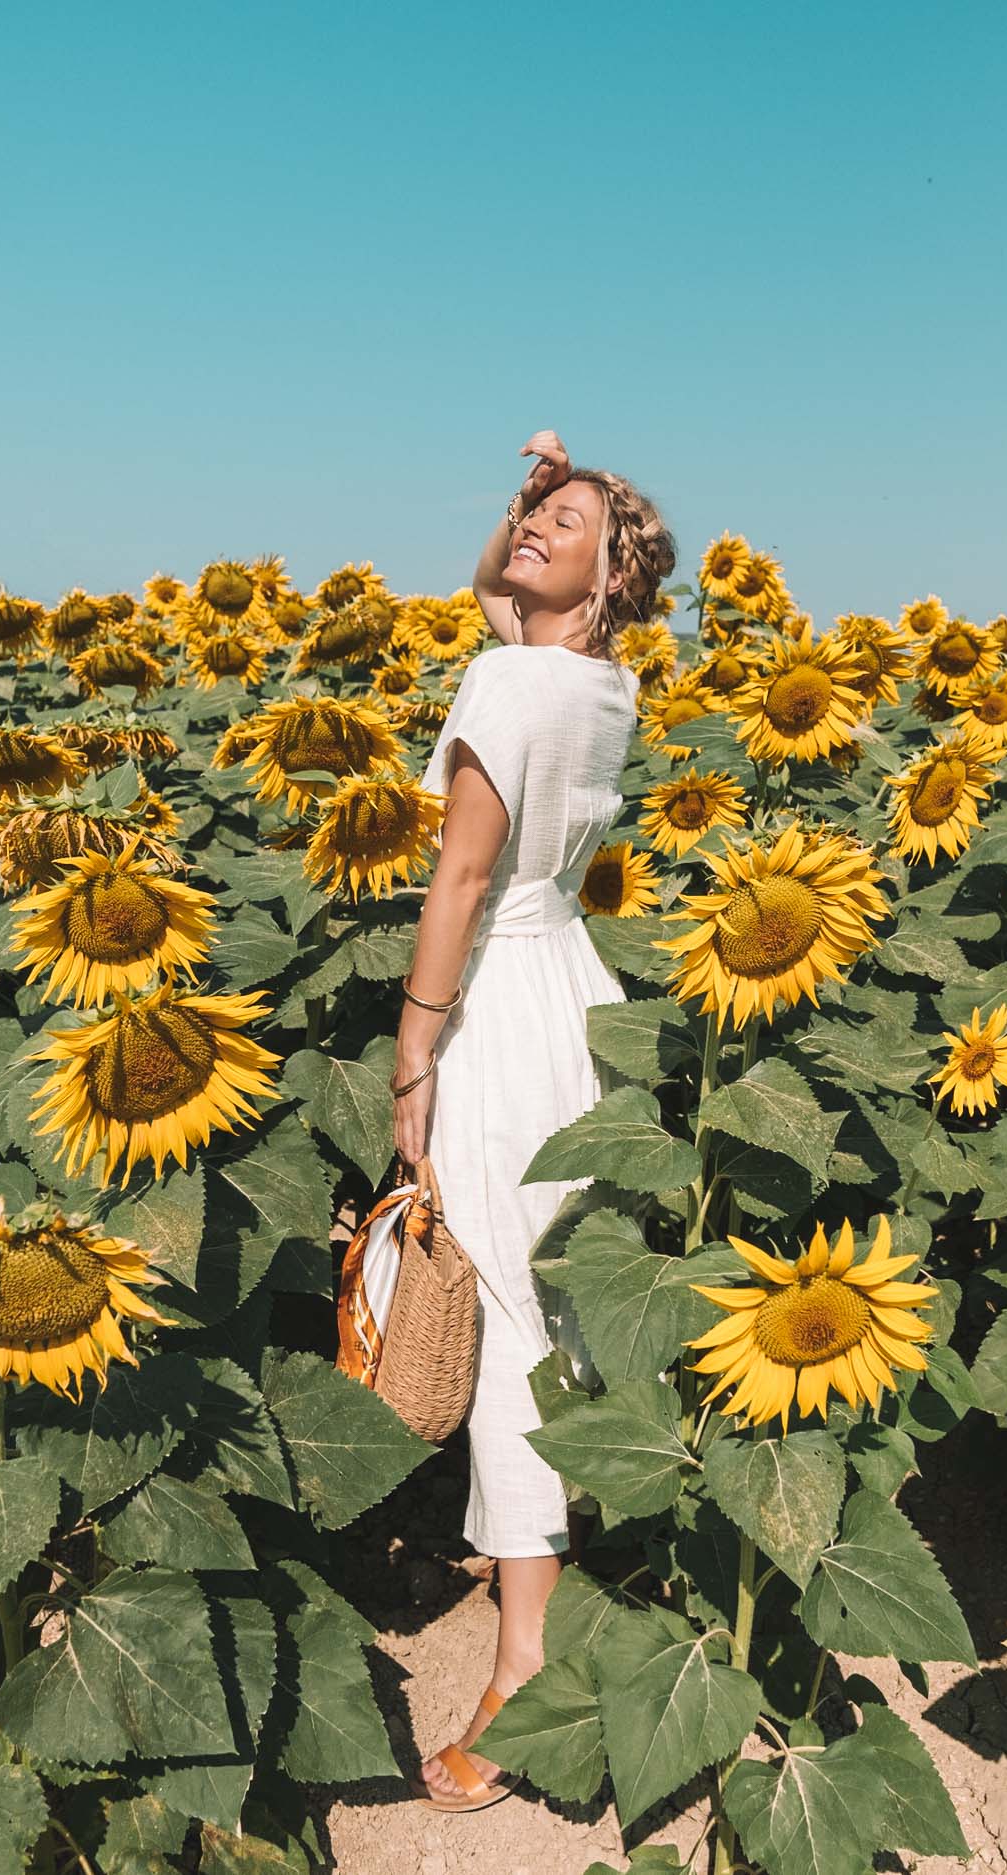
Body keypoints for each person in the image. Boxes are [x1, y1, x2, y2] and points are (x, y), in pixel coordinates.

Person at [391, 430, 676, 1810]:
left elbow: (458, 873)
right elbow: (503, 607)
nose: (534, 533)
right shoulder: (598, 683)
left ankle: (521, 1670)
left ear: (613, 579)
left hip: (496, 1007)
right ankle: (558, 1599)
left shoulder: (508, 677)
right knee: (556, 1309)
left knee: (505, 1322)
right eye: (532, 518)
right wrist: (539, 507)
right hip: (582, 997)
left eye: (570, 524)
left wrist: (412, 1042)